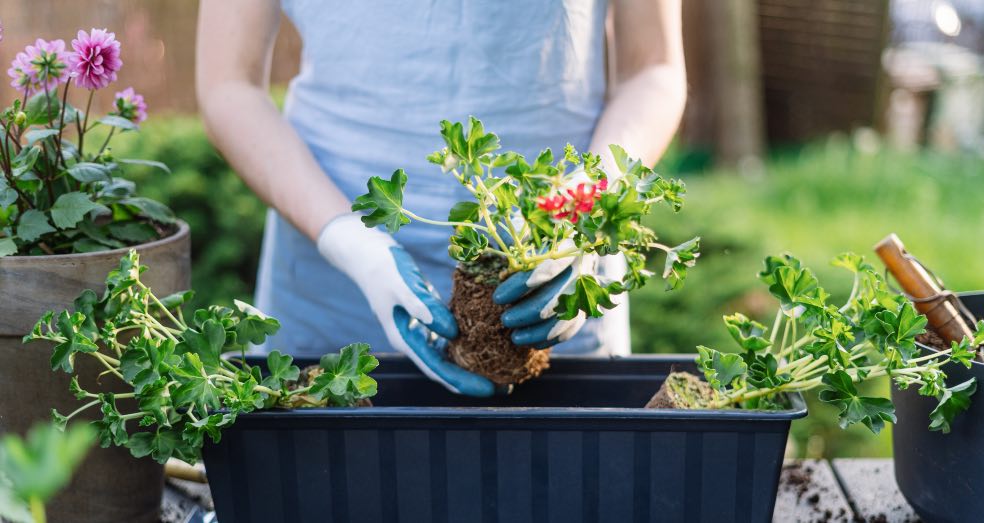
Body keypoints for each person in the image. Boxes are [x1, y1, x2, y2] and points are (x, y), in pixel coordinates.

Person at [195, 0, 686, 396]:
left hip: (551, 276)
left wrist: (583, 209)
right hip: (332, 266)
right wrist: (347, 239)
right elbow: (228, 84)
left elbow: (653, 70)